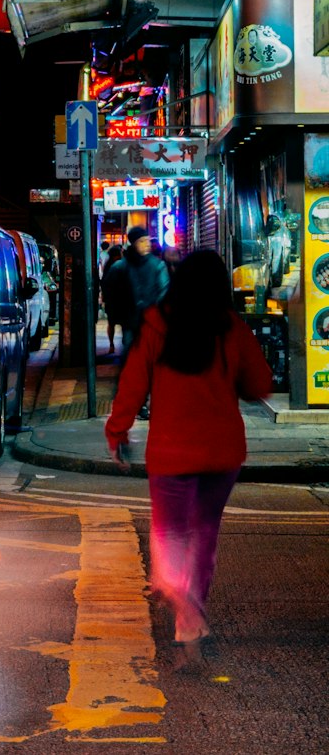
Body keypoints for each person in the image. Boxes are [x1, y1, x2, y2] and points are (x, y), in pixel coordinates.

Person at [105, 250, 273, 670]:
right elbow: (259, 384)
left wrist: (117, 428)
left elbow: (133, 383)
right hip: (221, 450)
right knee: (204, 533)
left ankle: (176, 594)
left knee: (170, 532)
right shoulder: (231, 327)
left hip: (170, 450)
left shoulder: (157, 324)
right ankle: (189, 612)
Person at [101, 225, 171, 360]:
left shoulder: (157, 266)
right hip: (130, 320)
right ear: (133, 244)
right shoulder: (120, 267)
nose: (147, 244)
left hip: (152, 322)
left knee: (151, 355)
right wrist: (116, 310)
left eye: (148, 240)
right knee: (131, 354)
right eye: (142, 241)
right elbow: (109, 289)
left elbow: (164, 292)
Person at [100, 244, 124, 354]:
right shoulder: (123, 266)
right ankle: (123, 343)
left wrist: (104, 297)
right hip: (121, 299)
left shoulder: (108, 267)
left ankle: (111, 345)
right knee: (123, 322)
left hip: (111, 299)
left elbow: (104, 283)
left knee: (111, 323)